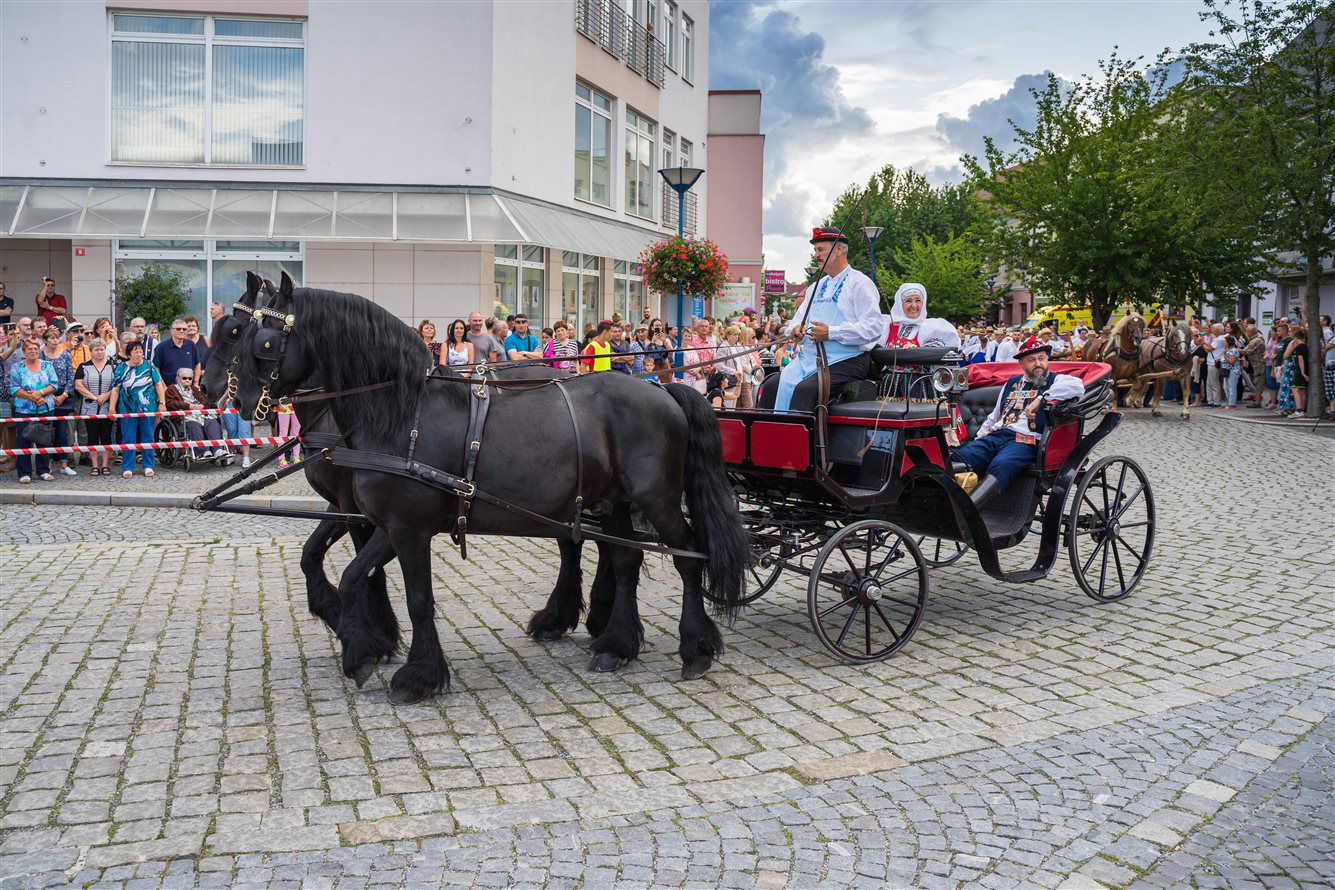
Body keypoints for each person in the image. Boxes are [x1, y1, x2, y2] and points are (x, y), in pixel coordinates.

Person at [951, 336, 1086, 508]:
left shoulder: (1056, 381)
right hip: (998, 435)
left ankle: (970, 510)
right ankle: (948, 502)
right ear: (1021, 364)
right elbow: (995, 416)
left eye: (1042, 358)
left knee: (1001, 464)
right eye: (1031, 360)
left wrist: (1042, 398)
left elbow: (1077, 387)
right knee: (961, 457)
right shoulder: (1012, 383)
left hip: (1025, 440)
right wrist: (980, 438)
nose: (1038, 364)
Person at [762, 227, 885, 412]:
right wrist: (796, 331)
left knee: (805, 390)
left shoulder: (860, 283)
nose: (816, 255)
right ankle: (768, 437)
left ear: (838, 250)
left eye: (821, 249)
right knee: (771, 386)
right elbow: (797, 322)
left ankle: (805, 440)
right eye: (815, 250)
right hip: (812, 358)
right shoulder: (815, 287)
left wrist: (831, 333)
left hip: (849, 359)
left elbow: (874, 328)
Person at [8, 338, 60, 483]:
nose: (33, 351)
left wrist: (41, 393)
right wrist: (33, 398)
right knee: (23, 441)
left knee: (44, 440)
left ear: (39, 350)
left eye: (36, 349)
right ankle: (24, 473)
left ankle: (43, 470)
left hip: (45, 408)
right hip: (24, 410)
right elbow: (14, 388)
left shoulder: (47, 366)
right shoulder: (16, 367)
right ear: (24, 351)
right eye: (29, 349)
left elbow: (54, 385)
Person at [112, 340, 165, 477]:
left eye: (141, 351)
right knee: (128, 437)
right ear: (129, 354)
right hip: (127, 408)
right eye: (135, 352)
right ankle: (128, 467)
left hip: (148, 407)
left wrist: (162, 403)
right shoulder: (121, 368)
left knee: (148, 436)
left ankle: (148, 465)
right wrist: (112, 408)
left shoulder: (149, 365)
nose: (139, 354)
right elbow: (115, 389)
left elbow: (158, 385)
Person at [74, 339, 118, 476]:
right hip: (90, 407)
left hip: (107, 406)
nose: (99, 352)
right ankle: (94, 465)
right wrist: (94, 397)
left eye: (102, 349)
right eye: (96, 349)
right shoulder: (84, 366)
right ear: (91, 351)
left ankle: (105, 464)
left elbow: (117, 384)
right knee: (92, 436)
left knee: (106, 436)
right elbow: (78, 385)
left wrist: (106, 395)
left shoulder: (113, 365)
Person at [164, 366, 226, 462]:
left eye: (190, 378)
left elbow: (205, 401)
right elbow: (171, 404)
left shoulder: (194, 389)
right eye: (184, 378)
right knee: (194, 425)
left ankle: (217, 450)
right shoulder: (171, 389)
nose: (187, 380)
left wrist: (202, 405)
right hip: (185, 416)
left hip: (200, 414)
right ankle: (203, 451)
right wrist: (188, 406)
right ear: (178, 378)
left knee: (212, 422)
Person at [39, 325, 77, 476]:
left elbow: (70, 377)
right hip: (46, 395)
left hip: (63, 395)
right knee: (47, 431)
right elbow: (39, 376)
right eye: (52, 338)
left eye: (57, 338)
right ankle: (46, 465)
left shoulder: (65, 354)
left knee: (62, 431)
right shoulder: (41, 355)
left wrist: (65, 395)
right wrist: (49, 395)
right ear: (46, 340)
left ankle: (63, 464)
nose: (55, 341)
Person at [883, 283, 959, 349]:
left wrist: (919, 350)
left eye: (918, 301)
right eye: (908, 301)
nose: (914, 305)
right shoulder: (886, 326)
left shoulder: (932, 327)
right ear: (900, 304)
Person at [152, 318, 200, 384]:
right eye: (178, 329)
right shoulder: (161, 347)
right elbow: (156, 368)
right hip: (169, 389)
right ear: (172, 331)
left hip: (188, 388)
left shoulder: (191, 345)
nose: (181, 331)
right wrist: (163, 386)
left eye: (184, 329)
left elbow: (197, 364)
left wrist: (196, 383)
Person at [684, 318, 716, 393]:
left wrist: (712, 369)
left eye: (706, 326)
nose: (704, 328)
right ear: (697, 328)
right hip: (696, 375)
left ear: (709, 329)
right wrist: (698, 373)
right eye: (701, 326)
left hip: (709, 375)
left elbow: (714, 359)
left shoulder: (710, 344)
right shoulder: (692, 343)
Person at [274, 397, 301, 467]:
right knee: (283, 433)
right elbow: (276, 391)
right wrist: (279, 404)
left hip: (296, 406)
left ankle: (296, 457)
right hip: (283, 406)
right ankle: (281, 459)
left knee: (296, 434)